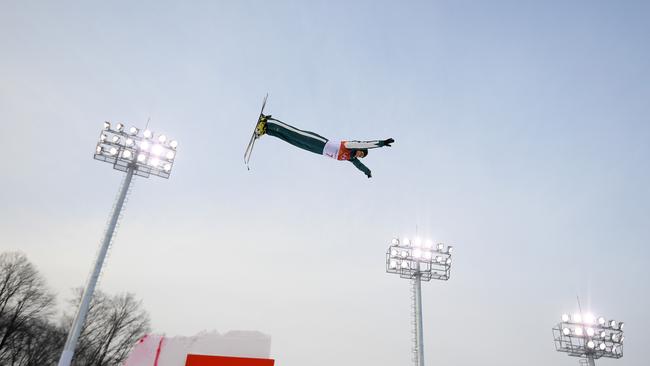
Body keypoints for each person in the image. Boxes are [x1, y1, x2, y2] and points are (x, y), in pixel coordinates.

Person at [255, 114, 394, 178]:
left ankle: (267, 129)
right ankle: (269, 121)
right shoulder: (352, 146)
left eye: (361, 156)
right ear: (359, 149)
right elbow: (366, 144)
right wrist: (381, 143)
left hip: (318, 151)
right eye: (361, 152)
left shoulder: (351, 158)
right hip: (321, 142)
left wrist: (367, 172)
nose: (359, 155)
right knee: (295, 134)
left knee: (293, 142)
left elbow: (359, 166)